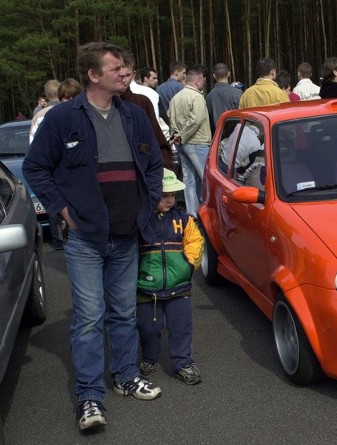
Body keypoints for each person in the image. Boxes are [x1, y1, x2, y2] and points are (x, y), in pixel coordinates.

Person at [22, 41, 164, 432]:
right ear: (93, 75)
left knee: (123, 312)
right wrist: (62, 210)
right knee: (88, 319)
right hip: (85, 239)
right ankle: (89, 396)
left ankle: (124, 376)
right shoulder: (62, 118)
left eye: (126, 67)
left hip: (126, 234)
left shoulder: (134, 116)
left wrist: (147, 203)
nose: (125, 72)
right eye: (116, 68)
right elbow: (36, 168)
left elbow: (153, 163)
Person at [136, 168, 204, 385]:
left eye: (173, 195)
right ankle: (149, 357)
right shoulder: (141, 220)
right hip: (147, 290)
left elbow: (196, 241)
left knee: (181, 327)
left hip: (179, 286)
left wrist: (188, 264)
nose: (169, 200)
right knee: (148, 328)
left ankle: (183, 363)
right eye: (164, 195)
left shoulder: (183, 219)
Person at [169, 65, 211, 217]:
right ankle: (208, 210)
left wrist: (176, 135)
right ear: (198, 81)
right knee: (205, 178)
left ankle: (192, 213)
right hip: (197, 142)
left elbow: (171, 118)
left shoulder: (176, 98)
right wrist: (183, 135)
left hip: (182, 144)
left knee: (189, 178)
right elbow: (197, 120)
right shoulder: (197, 97)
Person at [120, 53, 174, 171]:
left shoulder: (143, 102)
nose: (123, 79)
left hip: (145, 172)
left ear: (133, 75)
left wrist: (165, 171)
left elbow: (157, 137)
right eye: (119, 75)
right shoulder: (99, 105)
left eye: (127, 75)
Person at [29, 79, 62, 249]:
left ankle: (57, 239)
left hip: (49, 165)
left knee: (54, 200)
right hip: (67, 163)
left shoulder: (39, 116)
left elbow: (33, 144)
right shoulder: (70, 109)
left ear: (47, 94)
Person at [205, 62, 243, 134]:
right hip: (235, 136)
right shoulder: (237, 93)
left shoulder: (209, 96)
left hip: (217, 137)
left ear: (214, 75)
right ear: (229, 73)